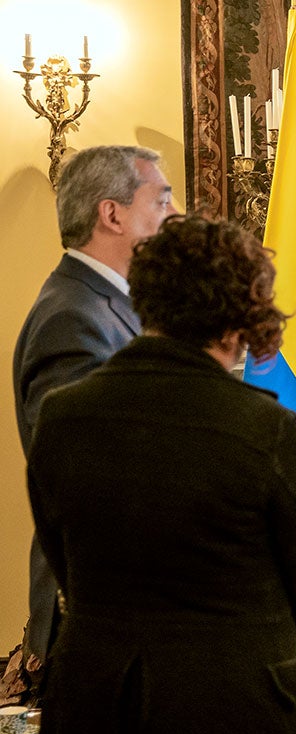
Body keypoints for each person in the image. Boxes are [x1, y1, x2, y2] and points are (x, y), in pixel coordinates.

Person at [25, 216, 296, 734]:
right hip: (238, 714)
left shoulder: (63, 416)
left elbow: (61, 555)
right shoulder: (265, 427)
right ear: (243, 314)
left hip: (97, 706)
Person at [12, 144, 176, 693]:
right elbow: (87, 482)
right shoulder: (74, 318)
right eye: (162, 199)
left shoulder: (108, 306)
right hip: (101, 615)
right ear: (113, 214)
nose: (174, 216)